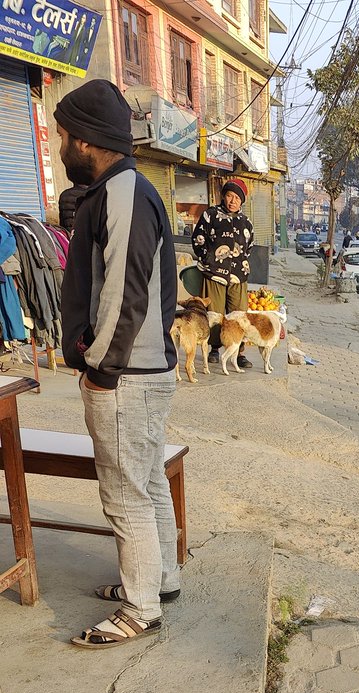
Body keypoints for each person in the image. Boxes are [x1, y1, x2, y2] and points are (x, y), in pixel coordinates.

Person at [55, 79, 178, 648]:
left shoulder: (125, 192)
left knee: (124, 492)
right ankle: (161, 581)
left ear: (85, 141)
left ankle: (140, 607)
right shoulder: (121, 191)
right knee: (148, 481)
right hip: (141, 370)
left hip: (126, 374)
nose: (60, 147)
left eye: (63, 136)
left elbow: (125, 295)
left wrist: (99, 367)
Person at [191, 178, 255, 368]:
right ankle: (214, 349)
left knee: (238, 315)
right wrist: (208, 259)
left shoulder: (246, 222)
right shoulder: (210, 215)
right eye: (229, 196)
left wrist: (240, 264)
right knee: (215, 314)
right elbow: (198, 240)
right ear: (223, 196)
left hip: (238, 276)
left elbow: (249, 247)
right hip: (214, 274)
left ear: (241, 201)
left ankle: (239, 352)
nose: (232, 201)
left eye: (236, 197)